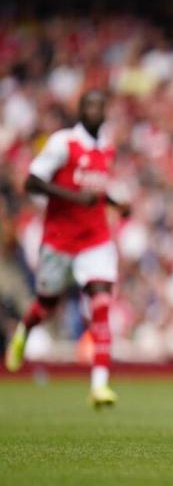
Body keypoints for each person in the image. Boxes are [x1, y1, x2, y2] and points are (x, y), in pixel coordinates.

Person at [4, 90, 129, 409]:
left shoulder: (107, 148)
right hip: (59, 241)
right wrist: (73, 198)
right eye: (89, 104)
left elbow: (96, 192)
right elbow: (31, 182)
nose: (94, 110)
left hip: (96, 239)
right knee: (46, 305)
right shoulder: (62, 144)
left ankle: (99, 385)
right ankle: (24, 330)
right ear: (80, 110)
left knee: (101, 302)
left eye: (100, 105)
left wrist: (116, 204)